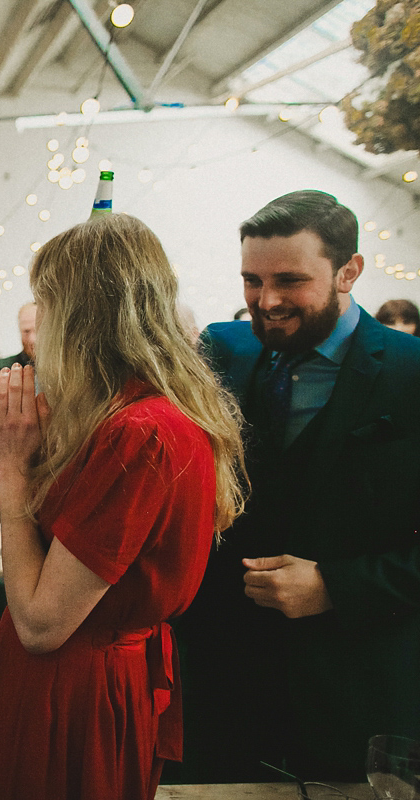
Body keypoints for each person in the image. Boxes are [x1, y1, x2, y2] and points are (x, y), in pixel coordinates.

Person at [0, 213, 246, 800]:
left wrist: (12, 472)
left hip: (75, 690)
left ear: (82, 315)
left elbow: (42, 624)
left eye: (46, 302)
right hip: (85, 676)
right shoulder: (137, 414)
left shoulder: (140, 433)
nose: (37, 322)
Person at [174, 190, 420, 782]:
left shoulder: (411, 375)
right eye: (251, 280)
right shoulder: (220, 351)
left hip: (354, 692)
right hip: (223, 685)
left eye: (290, 280)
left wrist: (337, 585)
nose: (267, 301)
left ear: (348, 272)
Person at [0, 302, 38, 394]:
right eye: (26, 331)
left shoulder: (64, 368)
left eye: (38, 330)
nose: (32, 339)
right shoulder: (2, 369)